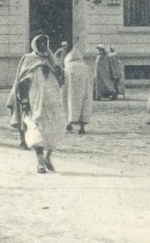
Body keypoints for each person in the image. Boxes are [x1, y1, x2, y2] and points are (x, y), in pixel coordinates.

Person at [14, 35, 64, 174]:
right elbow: (22, 83)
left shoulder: (52, 59)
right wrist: (24, 102)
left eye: (45, 42)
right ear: (35, 44)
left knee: (53, 130)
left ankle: (48, 157)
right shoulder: (29, 60)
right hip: (35, 101)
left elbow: (61, 79)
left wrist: (58, 70)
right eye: (40, 43)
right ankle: (40, 162)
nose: (43, 45)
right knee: (36, 129)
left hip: (52, 102)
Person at [63, 44, 92, 135]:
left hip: (71, 93)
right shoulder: (85, 67)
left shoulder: (68, 67)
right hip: (83, 91)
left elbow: (64, 82)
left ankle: (68, 124)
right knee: (84, 106)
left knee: (69, 105)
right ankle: (82, 128)